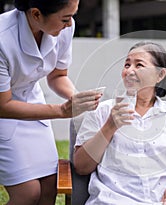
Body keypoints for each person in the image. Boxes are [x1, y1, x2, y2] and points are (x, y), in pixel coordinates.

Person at [73, 41, 166, 205]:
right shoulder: (102, 112)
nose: (129, 71)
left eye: (139, 65)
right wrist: (110, 126)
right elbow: (81, 166)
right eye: (127, 64)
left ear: (160, 75)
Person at [0, 0, 101, 204]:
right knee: (28, 194)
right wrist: (62, 111)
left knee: (49, 188)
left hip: (34, 105)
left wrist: (77, 99)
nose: (70, 24)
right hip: (4, 113)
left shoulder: (62, 29)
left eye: (73, 16)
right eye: (65, 18)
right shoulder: (3, 38)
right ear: (36, 14)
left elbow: (57, 76)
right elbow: (4, 106)